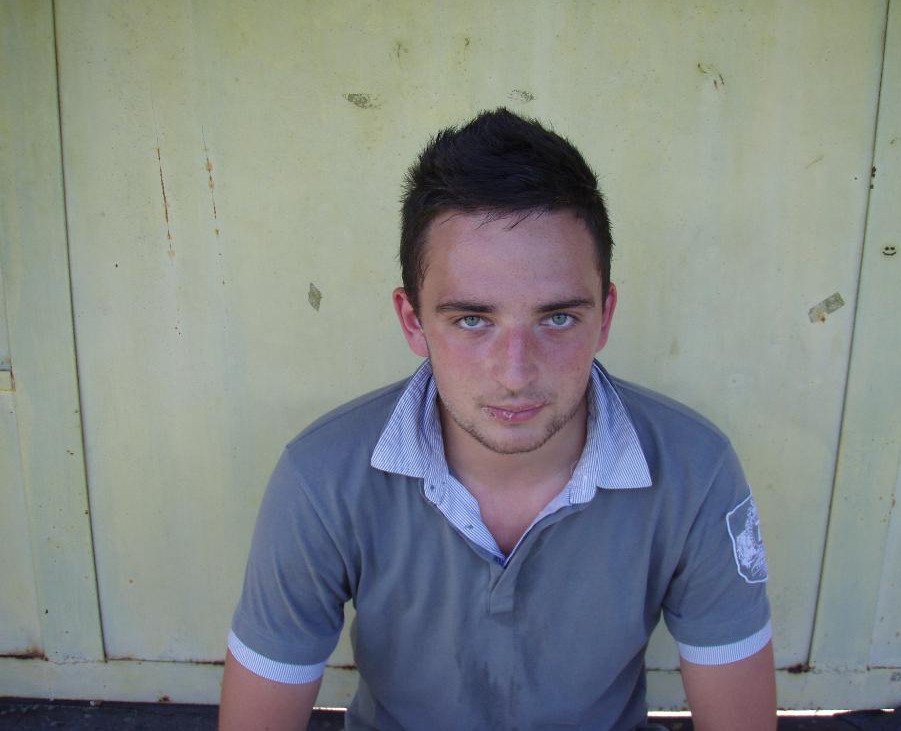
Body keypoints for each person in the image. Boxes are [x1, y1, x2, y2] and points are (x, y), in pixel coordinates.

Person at [219, 109, 776, 731]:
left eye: (557, 318)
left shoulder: (695, 471)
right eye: (472, 320)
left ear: (605, 315)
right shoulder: (321, 477)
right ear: (412, 322)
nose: (515, 373)